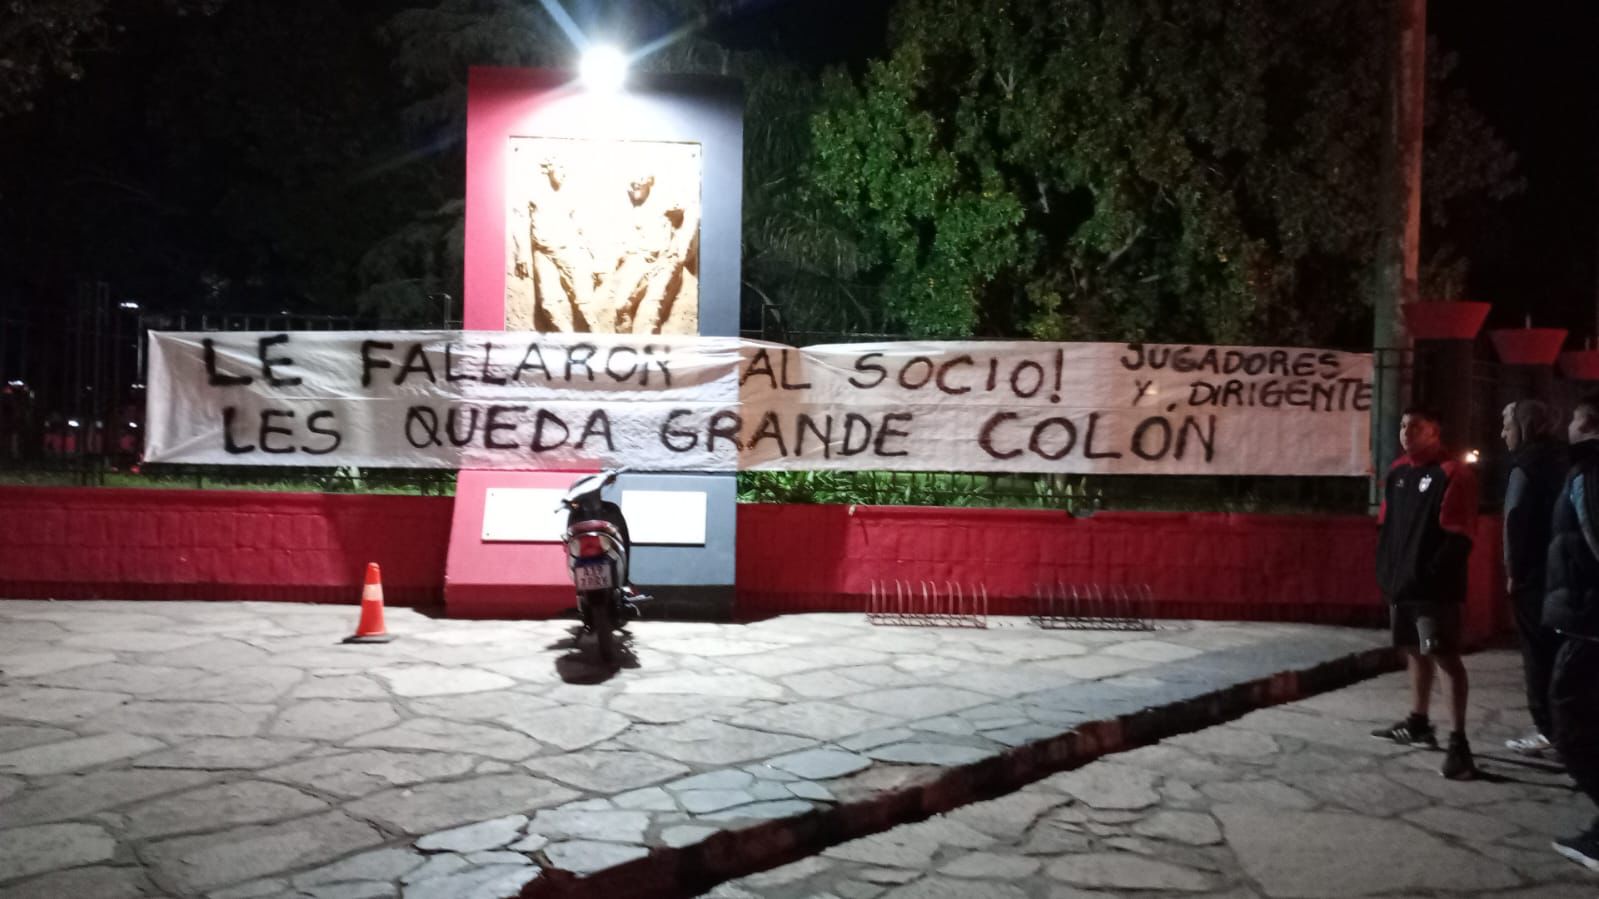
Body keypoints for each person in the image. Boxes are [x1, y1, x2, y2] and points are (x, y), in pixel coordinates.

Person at [1371, 407, 1480, 780]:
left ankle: (1459, 743)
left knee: (1444, 656)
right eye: (1403, 425)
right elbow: (1386, 527)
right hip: (1402, 586)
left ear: (1435, 431)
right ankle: (1418, 722)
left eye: (1416, 426)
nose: (1407, 432)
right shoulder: (1398, 472)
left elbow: (1459, 537)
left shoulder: (1453, 474)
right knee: (1414, 651)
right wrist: (1387, 574)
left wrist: (1429, 576)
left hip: (1433, 591)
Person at [1543, 394, 1599, 869]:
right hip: (1585, 616)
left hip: (1589, 623)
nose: (1568, 425)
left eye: (1575, 418)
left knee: (1570, 721)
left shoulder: (1588, 474)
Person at [1499, 400, 1567, 756]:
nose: (1503, 433)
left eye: (1507, 425)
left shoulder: (1525, 466)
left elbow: (1514, 518)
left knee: (1537, 654)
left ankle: (1547, 730)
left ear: (1523, 427)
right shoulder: (1566, 459)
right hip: (1566, 572)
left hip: (1534, 575)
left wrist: (1512, 571)